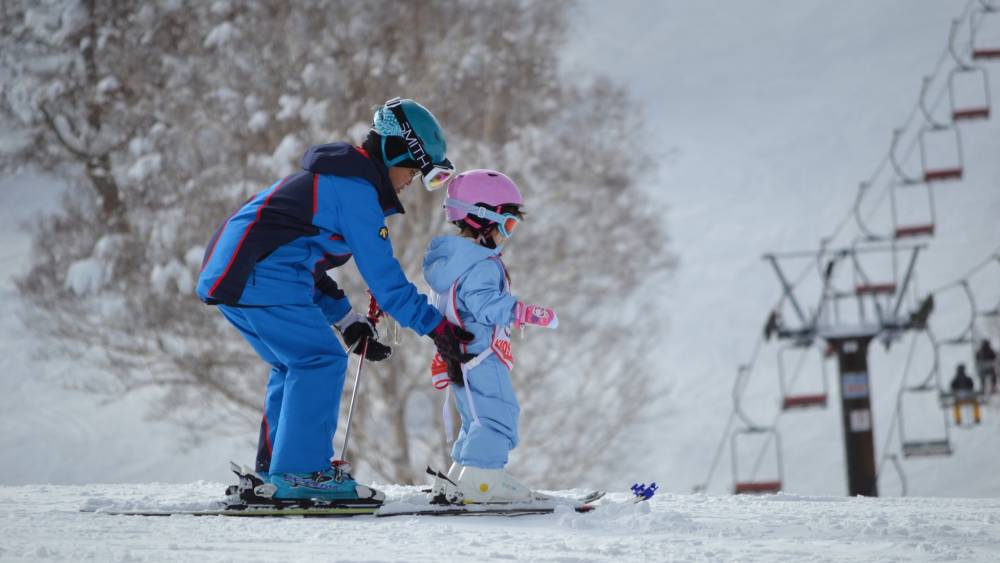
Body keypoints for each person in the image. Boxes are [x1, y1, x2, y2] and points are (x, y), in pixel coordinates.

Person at [196, 98, 473, 504]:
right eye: (413, 171)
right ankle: (302, 474)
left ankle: (275, 473)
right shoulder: (354, 191)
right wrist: (438, 328)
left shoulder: (340, 182)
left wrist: (346, 321)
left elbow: (300, 263)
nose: (411, 182)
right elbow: (387, 281)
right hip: (256, 274)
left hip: (240, 273)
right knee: (319, 360)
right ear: (396, 152)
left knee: (293, 363)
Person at [421, 169, 558, 504]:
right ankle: (484, 483)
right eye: (508, 225)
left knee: (475, 417)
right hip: (481, 354)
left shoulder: (451, 261)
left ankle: (462, 476)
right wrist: (522, 312)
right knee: (498, 414)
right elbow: (484, 305)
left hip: (458, 355)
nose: (508, 236)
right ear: (482, 217)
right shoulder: (480, 263)